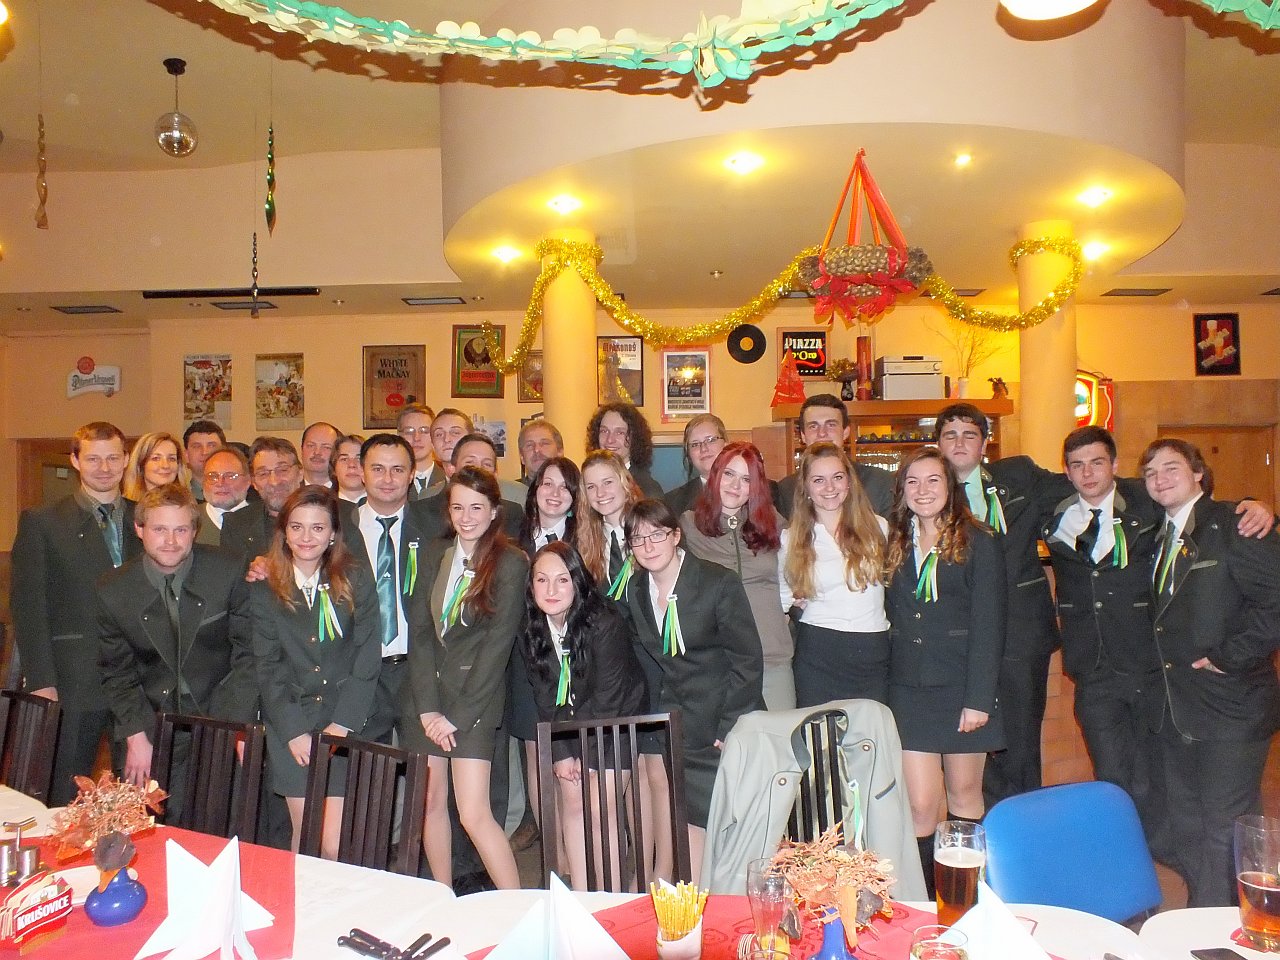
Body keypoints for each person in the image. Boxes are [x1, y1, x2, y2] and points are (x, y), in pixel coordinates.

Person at [1139, 438, 1280, 907]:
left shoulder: (1236, 525)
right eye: (1150, 472)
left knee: (1223, 828)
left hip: (1232, 708)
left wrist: (1230, 656)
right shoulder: (1156, 536)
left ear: (1199, 473)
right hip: (1178, 712)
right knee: (1188, 825)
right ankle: (1204, 917)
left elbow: (1275, 602)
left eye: (1171, 468)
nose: (1159, 478)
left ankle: (1215, 931)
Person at [883, 447, 1006, 896]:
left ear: (950, 487)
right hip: (908, 689)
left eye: (933, 480)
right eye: (912, 481)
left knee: (964, 795)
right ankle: (924, 903)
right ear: (902, 490)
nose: (923, 490)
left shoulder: (979, 541)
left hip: (960, 689)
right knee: (919, 806)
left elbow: (990, 624)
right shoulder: (893, 541)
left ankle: (964, 900)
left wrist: (979, 699)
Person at [623, 498, 766, 884]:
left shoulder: (717, 582)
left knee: (736, 831)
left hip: (722, 725)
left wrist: (730, 726)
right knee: (689, 827)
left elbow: (748, 660)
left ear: (676, 535)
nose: (648, 546)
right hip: (679, 728)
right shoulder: (636, 590)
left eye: (657, 535)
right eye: (638, 539)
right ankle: (699, 908)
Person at [96, 483, 256, 818]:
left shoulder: (228, 569)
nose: (170, 541)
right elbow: (117, 672)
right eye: (159, 530)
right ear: (139, 529)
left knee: (220, 828)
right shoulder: (113, 589)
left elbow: (249, 655)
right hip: (150, 720)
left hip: (220, 717)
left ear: (195, 531)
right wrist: (135, 735)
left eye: (181, 530)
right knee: (146, 828)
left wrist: (237, 725)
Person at [404, 466, 529, 890]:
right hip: (427, 699)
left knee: (474, 814)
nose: (466, 517)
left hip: (473, 702)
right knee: (429, 803)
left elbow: (497, 647)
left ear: (494, 511)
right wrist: (427, 708)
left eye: (477, 507)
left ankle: (518, 907)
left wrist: (455, 716)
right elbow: (420, 633)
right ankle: (444, 897)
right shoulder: (435, 553)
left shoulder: (510, 562)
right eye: (458, 507)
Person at [932, 402, 1060, 807]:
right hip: (958, 641)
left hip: (1021, 633)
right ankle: (979, 826)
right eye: (950, 435)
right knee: (967, 742)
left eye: (969, 434)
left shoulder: (1018, 476)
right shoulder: (924, 492)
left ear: (985, 444)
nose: (960, 443)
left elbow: (1086, 483)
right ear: (938, 444)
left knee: (1020, 740)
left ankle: (1022, 827)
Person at [10, 421, 141, 805]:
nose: (104, 468)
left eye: (112, 458)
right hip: (73, 679)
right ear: (75, 461)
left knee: (138, 792)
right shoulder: (42, 521)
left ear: (126, 459)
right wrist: (42, 681)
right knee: (62, 791)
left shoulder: (146, 518)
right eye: (94, 459)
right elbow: (29, 608)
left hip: (138, 679)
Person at [249, 485, 381, 856]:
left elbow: (367, 654)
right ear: (284, 532)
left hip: (343, 719)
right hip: (292, 721)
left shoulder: (355, 578)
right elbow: (267, 666)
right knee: (306, 836)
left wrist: (343, 723)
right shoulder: (264, 588)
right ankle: (300, 894)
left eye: (318, 528)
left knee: (334, 844)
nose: (307, 537)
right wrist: (293, 731)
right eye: (297, 527)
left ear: (333, 533)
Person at [522, 540, 648, 891]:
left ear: (577, 582)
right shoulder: (531, 625)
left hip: (616, 719)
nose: (551, 590)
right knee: (572, 799)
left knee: (600, 807)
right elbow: (544, 694)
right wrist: (562, 752)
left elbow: (608, 699)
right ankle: (579, 895)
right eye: (542, 580)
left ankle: (610, 898)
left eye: (562, 580)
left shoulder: (605, 622)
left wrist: (587, 757)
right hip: (570, 720)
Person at [681, 441, 795, 710]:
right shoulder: (689, 524)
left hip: (771, 656)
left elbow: (801, 563)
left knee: (780, 733)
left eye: (746, 479)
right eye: (729, 474)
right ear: (715, 475)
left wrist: (799, 593)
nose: (735, 485)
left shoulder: (774, 522)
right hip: (719, 661)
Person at [779, 443, 890, 707]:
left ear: (849, 482)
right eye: (818, 480)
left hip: (873, 650)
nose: (829, 487)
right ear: (805, 488)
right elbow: (782, 601)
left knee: (871, 731)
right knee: (820, 733)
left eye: (837, 477)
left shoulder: (879, 528)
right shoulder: (791, 539)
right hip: (818, 653)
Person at [511, 457, 584, 830]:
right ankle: (553, 853)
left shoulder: (586, 538)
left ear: (575, 497)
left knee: (573, 761)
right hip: (526, 661)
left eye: (565, 487)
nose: (555, 493)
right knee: (537, 755)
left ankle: (578, 848)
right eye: (547, 484)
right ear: (534, 489)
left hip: (575, 661)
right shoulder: (512, 537)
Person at [339, 433, 425, 744]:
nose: (387, 479)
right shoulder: (337, 531)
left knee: (425, 770)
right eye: (377, 469)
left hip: (418, 674)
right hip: (359, 675)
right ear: (361, 472)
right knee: (366, 770)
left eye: (397, 469)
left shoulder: (435, 527)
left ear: (411, 474)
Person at [775, 394, 893, 518]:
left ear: (846, 432)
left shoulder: (881, 482)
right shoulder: (787, 489)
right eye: (813, 426)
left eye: (831, 425)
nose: (822, 433)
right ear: (803, 436)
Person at [221, 437, 303, 559]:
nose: (274, 482)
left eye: (282, 470)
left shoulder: (327, 517)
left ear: (300, 473)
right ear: (253, 482)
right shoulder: (236, 525)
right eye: (263, 473)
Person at [577, 450, 642, 594]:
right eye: (591, 487)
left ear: (625, 482)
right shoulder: (583, 542)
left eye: (607, 482)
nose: (600, 493)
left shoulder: (651, 531)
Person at [587, 402, 663, 497]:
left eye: (620, 432)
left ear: (634, 438)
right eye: (604, 431)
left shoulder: (648, 490)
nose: (610, 439)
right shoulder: (588, 482)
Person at [663, 414, 727, 517]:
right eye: (695, 444)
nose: (703, 448)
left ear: (726, 444)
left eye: (710, 440)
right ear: (689, 454)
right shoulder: (672, 503)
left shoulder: (747, 491)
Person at [195, 446, 252, 546]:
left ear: (248, 481)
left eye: (230, 476)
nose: (220, 483)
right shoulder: (189, 519)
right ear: (203, 482)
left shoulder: (263, 521)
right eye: (212, 476)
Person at [122, 431, 190, 501]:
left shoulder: (189, 505)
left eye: (171, 459)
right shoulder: (125, 506)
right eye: (156, 458)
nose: (165, 465)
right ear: (141, 464)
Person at [396, 403, 439, 500]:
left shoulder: (449, 480)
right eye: (409, 431)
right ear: (399, 436)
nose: (416, 438)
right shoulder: (389, 482)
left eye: (424, 431)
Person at [184, 419, 226, 503]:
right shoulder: (178, 499)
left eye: (212, 445)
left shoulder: (241, 494)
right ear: (186, 455)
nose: (205, 452)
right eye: (197, 446)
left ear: (225, 453)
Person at [517, 419, 564, 484]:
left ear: (560, 451)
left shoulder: (576, 489)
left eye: (544, 443)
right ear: (522, 456)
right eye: (530, 445)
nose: (537, 450)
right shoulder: (509, 489)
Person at [430, 409, 473, 478]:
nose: (446, 439)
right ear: (432, 445)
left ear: (471, 440)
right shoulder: (433, 486)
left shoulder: (489, 484)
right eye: (439, 434)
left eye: (455, 433)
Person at [299, 421, 341, 487]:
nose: (317, 452)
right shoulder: (289, 490)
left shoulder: (348, 490)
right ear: (301, 450)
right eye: (311, 446)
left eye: (326, 447)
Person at [331, 433, 366, 504]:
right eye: (344, 459)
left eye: (359, 459)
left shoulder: (385, 506)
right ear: (334, 468)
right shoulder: (322, 507)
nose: (352, 465)